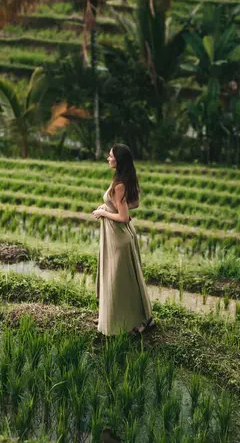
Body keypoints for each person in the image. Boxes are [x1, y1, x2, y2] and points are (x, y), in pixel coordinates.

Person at [92, 143, 155, 336]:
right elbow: (133, 203)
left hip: (119, 238)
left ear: (118, 160)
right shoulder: (123, 180)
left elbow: (124, 217)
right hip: (116, 236)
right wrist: (107, 206)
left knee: (121, 282)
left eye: (111, 156)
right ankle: (116, 316)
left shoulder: (120, 185)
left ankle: (143, 321)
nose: (108, 158)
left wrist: (103, 213)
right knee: (119, 281)